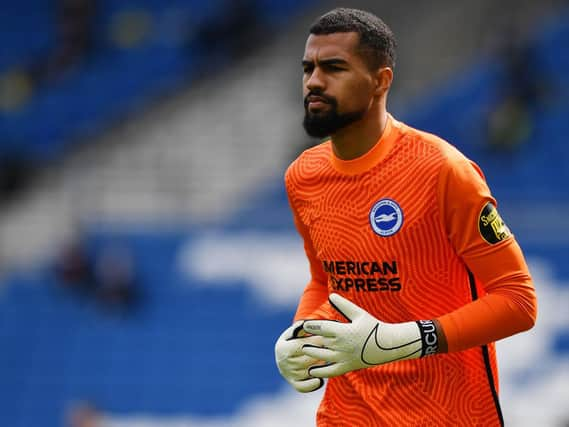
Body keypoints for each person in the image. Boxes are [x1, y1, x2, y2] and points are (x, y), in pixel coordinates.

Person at [274, 8, 537, 427]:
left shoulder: (443, 170)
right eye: (308, 68)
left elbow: (518, 301)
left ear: (381, 81)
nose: (314, 82)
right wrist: (302, 333)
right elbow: (326, 280)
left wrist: (402, 341)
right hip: (346, 414)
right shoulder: (303, 177)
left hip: (448, 416)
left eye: (334, 68)